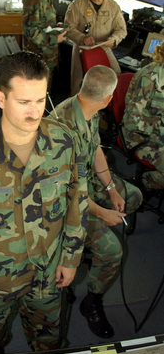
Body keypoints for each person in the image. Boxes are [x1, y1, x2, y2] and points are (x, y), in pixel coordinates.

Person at [0, 51, 88, 353]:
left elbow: (78, 201)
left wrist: (71, 257)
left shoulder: (64, 142)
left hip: (47, 272)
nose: (34, 112)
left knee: (49, 344)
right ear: (0, 98)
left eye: (40, 100)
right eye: (23, 102)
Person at [53, 65, 142, 338]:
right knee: (113, 251)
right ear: (108, 99)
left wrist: (113, 189)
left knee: (133, 196)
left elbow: (95, 152)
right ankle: (91, 301)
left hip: (84, 185)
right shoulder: (62, 127)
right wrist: (102, 213)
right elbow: (68, 192)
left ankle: (82, 257)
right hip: (63, 204)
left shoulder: (86, 108)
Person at [64, 0, 125, 95]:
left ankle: (109, 107)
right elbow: (68, 28)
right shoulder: (77, 5)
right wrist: (82, 38)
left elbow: (121, 30)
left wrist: (114, 39)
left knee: (115, 75)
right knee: (79, 82)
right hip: (82, 47)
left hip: (103, 46)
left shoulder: (113, 7)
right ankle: (76, 109)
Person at [122, 43, 164, 189]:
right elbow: (131, 120)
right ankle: (143, 183)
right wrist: (160, 130)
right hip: (140, 136)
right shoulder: (150, 77)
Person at [22, 0, 68, 90]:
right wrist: (54, 39)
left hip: (47, 56)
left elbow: (44, 23)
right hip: (38, 56)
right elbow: (31, 31)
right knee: (37, 93)